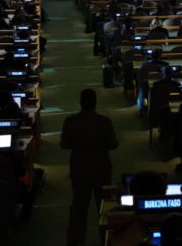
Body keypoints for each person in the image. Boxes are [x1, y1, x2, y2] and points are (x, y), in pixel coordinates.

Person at [61, 89, 118, 246]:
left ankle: (75, 240)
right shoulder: (104, 122)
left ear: (80, 103)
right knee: (105, 206)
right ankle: (107, 239)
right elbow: (113, 145)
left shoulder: (70, 121)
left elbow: (64, 145)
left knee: (79, 206)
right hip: (102, 167)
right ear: (95, 103)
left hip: (79, 168)